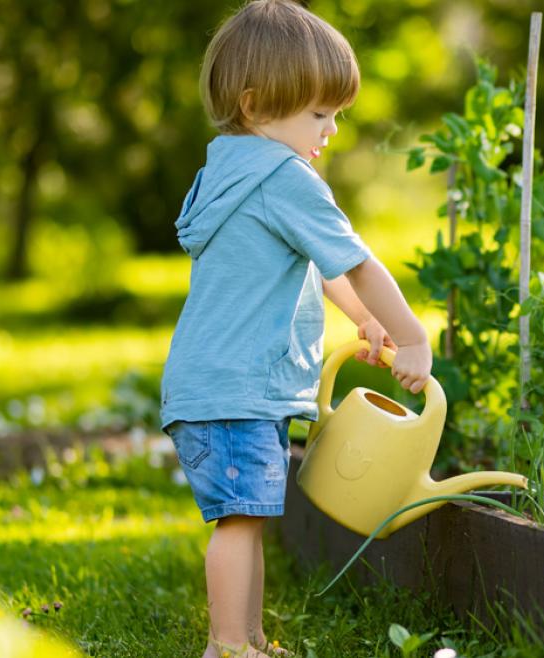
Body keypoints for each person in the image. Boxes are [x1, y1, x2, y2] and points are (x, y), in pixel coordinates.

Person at [159, 2, 432, 656]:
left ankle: (250, 637)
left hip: (218, 383)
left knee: (247, 518)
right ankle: (227, 645)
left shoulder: (227, 168)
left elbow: (315, 263)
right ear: (255, 107)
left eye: (335, 113)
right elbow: (360, 262)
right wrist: (412, 334)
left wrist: (362, 319)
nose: (332, 129)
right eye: (318, 113)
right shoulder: (284, 176)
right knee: (239, 525)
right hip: (237, 388)